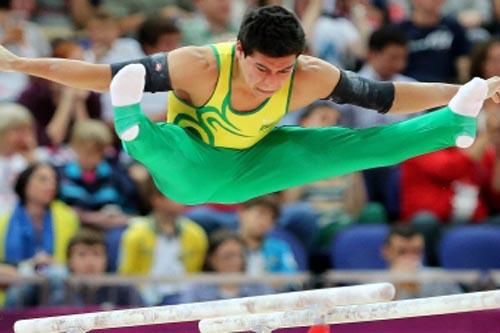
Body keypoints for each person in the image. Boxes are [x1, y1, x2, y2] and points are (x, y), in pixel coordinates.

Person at [1, 5, 499, 205]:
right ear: (240, 51)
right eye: (262, 69)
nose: (272, 82)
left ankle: (451, 124)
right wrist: (20, 64)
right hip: (191, 163)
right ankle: (132, 124)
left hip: (256, 161)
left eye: (284, 70)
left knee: (354, 147)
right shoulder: (200, 64)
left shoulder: (309, 75)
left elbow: (387, 98)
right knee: (174, 155)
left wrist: (459, 91)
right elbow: (98, 74)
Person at [179, 229, 273, 303]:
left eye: (239, 256)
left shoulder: (258, 287)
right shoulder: (197, 289)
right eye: (227, 256)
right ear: (211, 258)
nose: (235, 261)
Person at [381, 224, 462, 299]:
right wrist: (396, 286)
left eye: (416, 251)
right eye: (402, 252)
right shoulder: (373, 284)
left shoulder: (442, 279)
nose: (410, 258)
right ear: (386, 251)